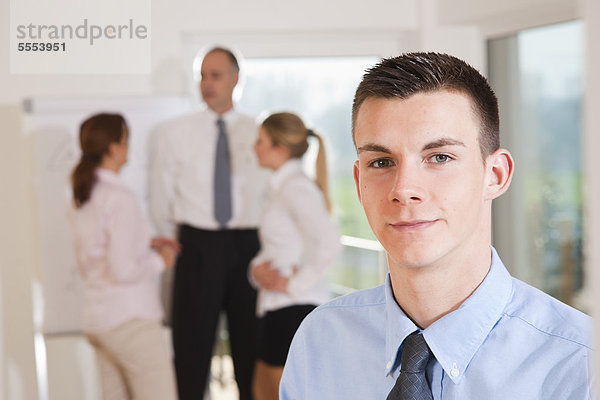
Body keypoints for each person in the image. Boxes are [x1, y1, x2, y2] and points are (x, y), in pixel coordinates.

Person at [279, 52, 595, 399]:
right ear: (359, 183)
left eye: (439, 157)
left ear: (496, 175)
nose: (403, 190)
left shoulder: (579, 364)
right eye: (381, 162)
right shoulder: (319, 342)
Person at [150, 46, 268, 400]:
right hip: (196, 246)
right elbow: (160, 194)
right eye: (202, 75)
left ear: (235, 80)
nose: (207, 83)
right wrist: (171, 241)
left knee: (250, 346)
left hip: (249, 244)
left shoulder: (258, 131)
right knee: (190, 348)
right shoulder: (174, 131)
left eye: (215, 75)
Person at [69, 113, 178, 400]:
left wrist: (146, 243)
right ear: (114, 149)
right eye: (126, 142)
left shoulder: (83, 195)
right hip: (130, 320)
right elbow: (123, 269)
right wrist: (161, 261)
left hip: (99, 321)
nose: (129, 150)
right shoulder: (120, 197)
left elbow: (96, 254)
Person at [249, 112, 341, 400]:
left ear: (280, 148)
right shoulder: (280, 188)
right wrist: (255, 272)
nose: (254, 147)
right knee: (262, 391)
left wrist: (293, 285)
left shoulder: (296, 188)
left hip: (294, 309)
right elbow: (275, 249)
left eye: (260, 141)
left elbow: (330, 243)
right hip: (277, 307)